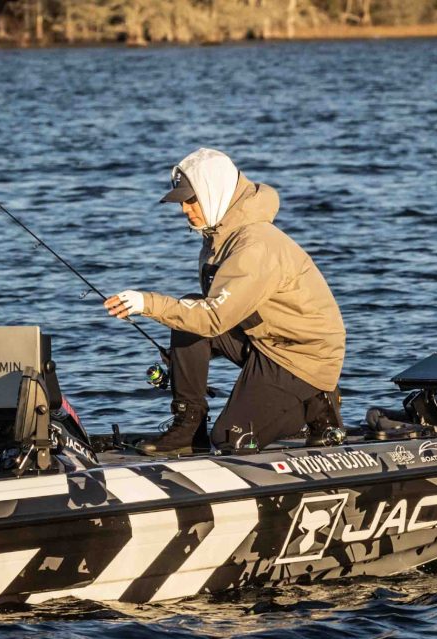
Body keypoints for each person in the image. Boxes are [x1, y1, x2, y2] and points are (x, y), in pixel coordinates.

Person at [104, 148, 346, 455]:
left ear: (214, 192)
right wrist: (185, 359)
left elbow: (213, 319)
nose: (185, 209)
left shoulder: (255, 244)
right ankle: (189, 427)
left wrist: (146, 303)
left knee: (230, 440)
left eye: (191, 200)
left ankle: (317, 403)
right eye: (182, 202)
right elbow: (209, 314)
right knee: (187, 314)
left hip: (302, 356)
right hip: (265, 339)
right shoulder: (218, 236)